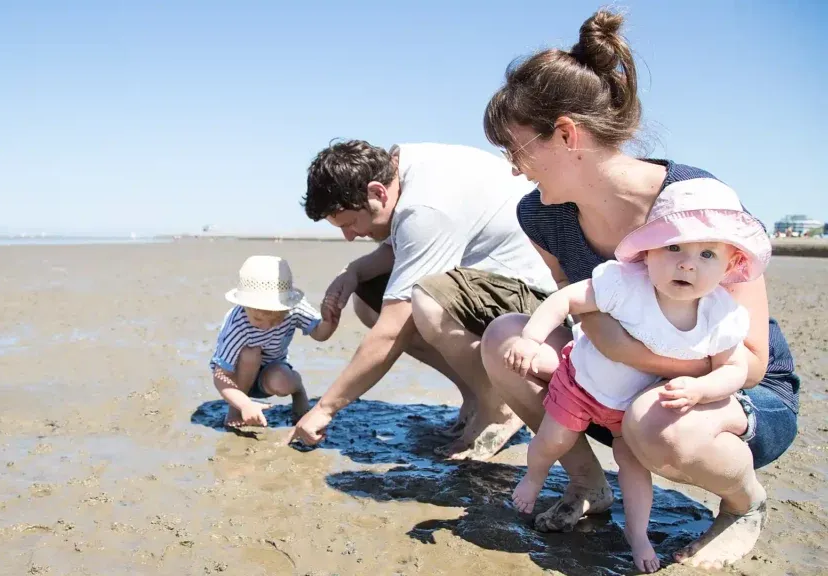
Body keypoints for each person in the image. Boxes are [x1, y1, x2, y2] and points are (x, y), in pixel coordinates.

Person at [479, 9, 800, 571]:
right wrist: (612, 353)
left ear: (565, 135)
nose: (514, 170)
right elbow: (579, 308)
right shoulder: (541, 215)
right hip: (617, 391)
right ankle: (587, 485)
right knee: (505, 336)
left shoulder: (696, 202)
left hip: (731, 393)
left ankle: (742, 502)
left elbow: (748, 360)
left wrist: (637, 356)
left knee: (655, 422)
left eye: (515, 150)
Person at [504, 180, 769, 573]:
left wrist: (700, 388)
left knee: (633, 469)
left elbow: (735, 368)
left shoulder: (722, 315)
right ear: (647, 252)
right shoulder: (624, 282)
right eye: (673, 246)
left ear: (729, 266)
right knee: (552, 440)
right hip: (581, 385)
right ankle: (534, 476)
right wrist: (530, 338)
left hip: (630, 409)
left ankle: (638, 534)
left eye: (707, 254)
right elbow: (565, 299)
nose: (687, 263)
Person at [286, 139, 557, 459]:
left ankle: (501, 407)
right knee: (369, 297)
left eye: (349, 223)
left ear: (377, 192)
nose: (349, 236)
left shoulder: (425, 208)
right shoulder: (400, 167)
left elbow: (391, 329)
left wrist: (324, 409)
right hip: (492, 281)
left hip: (535, 298)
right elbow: (405, 246)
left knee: (426, 306)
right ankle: (476, 395)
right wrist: (355, 272)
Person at [210, 255, 338, 427]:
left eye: (277, 318)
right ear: (245, 306)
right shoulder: (238, 323)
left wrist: (329, 322)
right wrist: (243, 404)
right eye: (258, 318)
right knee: (250, 353)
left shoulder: (293, 308)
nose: (267, 326)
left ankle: (298, 389)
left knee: (282, 382)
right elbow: (220, 376)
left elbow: (318, 333)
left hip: (271, 372)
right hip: (237, 377)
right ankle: (235, 410)